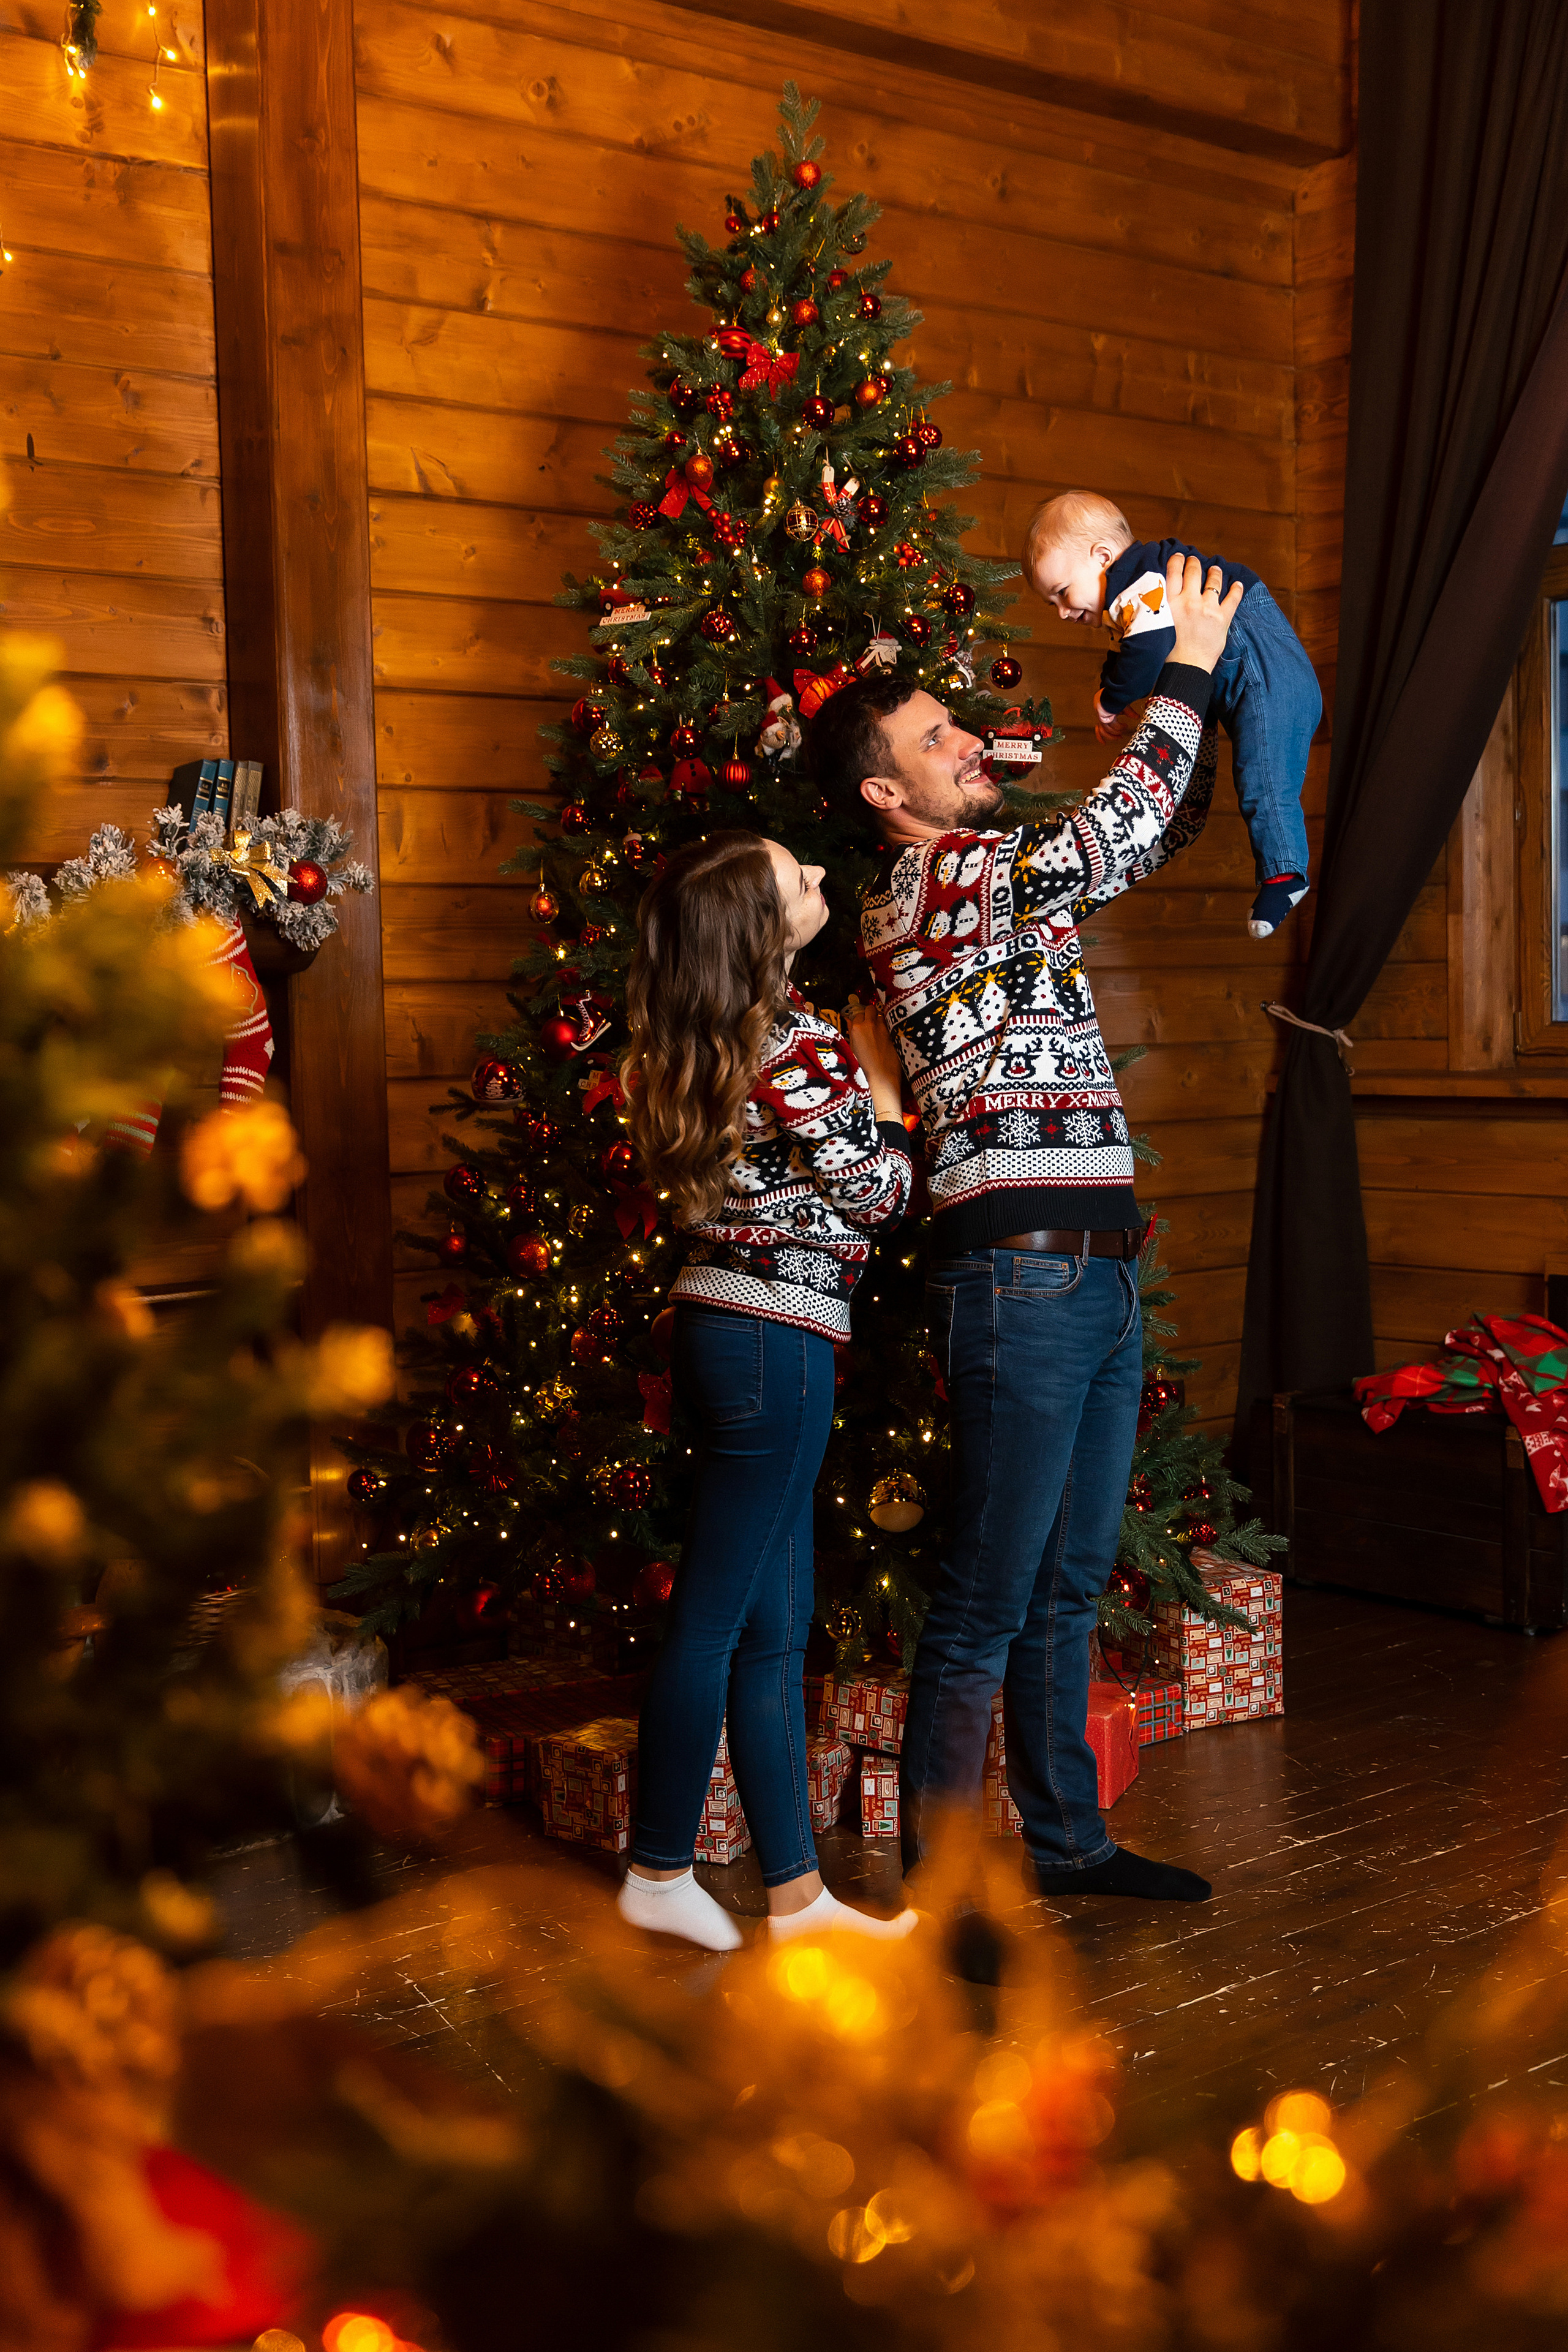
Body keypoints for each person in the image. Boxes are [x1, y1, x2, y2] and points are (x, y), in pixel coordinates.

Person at [807, 551, 1240, 1906]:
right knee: (987, 1599)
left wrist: (1193, 713)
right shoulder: (926, 890)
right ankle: (947, 1901)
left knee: (1066, 1584)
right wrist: (1184, 664)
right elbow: (1110, 832)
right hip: (1020, 1283)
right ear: (889, 796)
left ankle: (1065, 1847)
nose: (966, 743)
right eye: (936, 739)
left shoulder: (995, 881)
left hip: (1100, 1277)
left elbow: (1148, 829)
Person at [616, 829, 921, 1951]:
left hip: (726, 1327)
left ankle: (797, 1897)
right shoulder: (800, 1045)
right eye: (803, 877)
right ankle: (657, 1863)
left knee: (773, 1626)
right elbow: (882, 1196)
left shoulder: (703, 1039)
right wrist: (885, 1088)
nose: (825, 879)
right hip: (774, 1344)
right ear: (762, 928)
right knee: (717, 1620)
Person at [1023, 489, 1320, 940]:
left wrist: (1111, 699)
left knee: (1263, 777)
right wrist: (1113, 689)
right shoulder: (1135, 590)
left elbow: (1145, 652)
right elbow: (1129, 649)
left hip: (1266, 672)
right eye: (1053, 604)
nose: (1063, 612)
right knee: (1254, 774)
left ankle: (1285, 873)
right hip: (1249, 671)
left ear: (1103, 556)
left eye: (1063, 593)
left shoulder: (1139, 584)